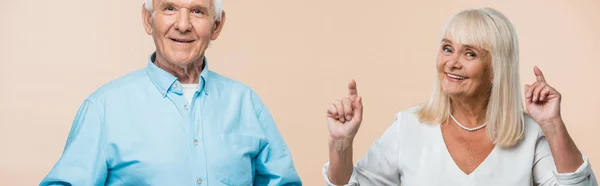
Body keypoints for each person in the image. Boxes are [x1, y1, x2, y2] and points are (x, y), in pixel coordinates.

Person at [323, 7, 597, 186]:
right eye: (447, 48)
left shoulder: (530, 135)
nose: (452, 62)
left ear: (495, 68)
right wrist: (340, 144)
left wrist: (552, 124)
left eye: (470, 53)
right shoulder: (408, 127)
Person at [40, 0, 301, 185]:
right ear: (148, 19)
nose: (183, 24)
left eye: (198, 11)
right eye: (170, 8)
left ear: (217, 25)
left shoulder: (246, 103)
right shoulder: (103, 108)